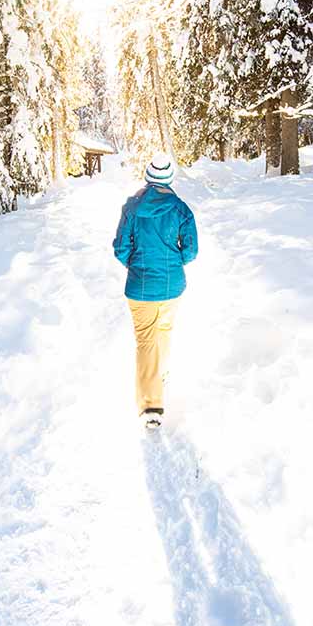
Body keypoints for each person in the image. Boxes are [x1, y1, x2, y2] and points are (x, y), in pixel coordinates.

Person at [112, 153, 198, 429]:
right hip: (173, 286)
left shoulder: (132, 208)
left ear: (148, 178)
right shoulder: (181, 209)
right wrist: (175, 263)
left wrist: (135, 265)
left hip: (140, 287)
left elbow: (121, 247)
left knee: (146, 341)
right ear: (169, 180)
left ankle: (151, 406)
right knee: (163, 332)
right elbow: (191, 249)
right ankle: (159, 376)